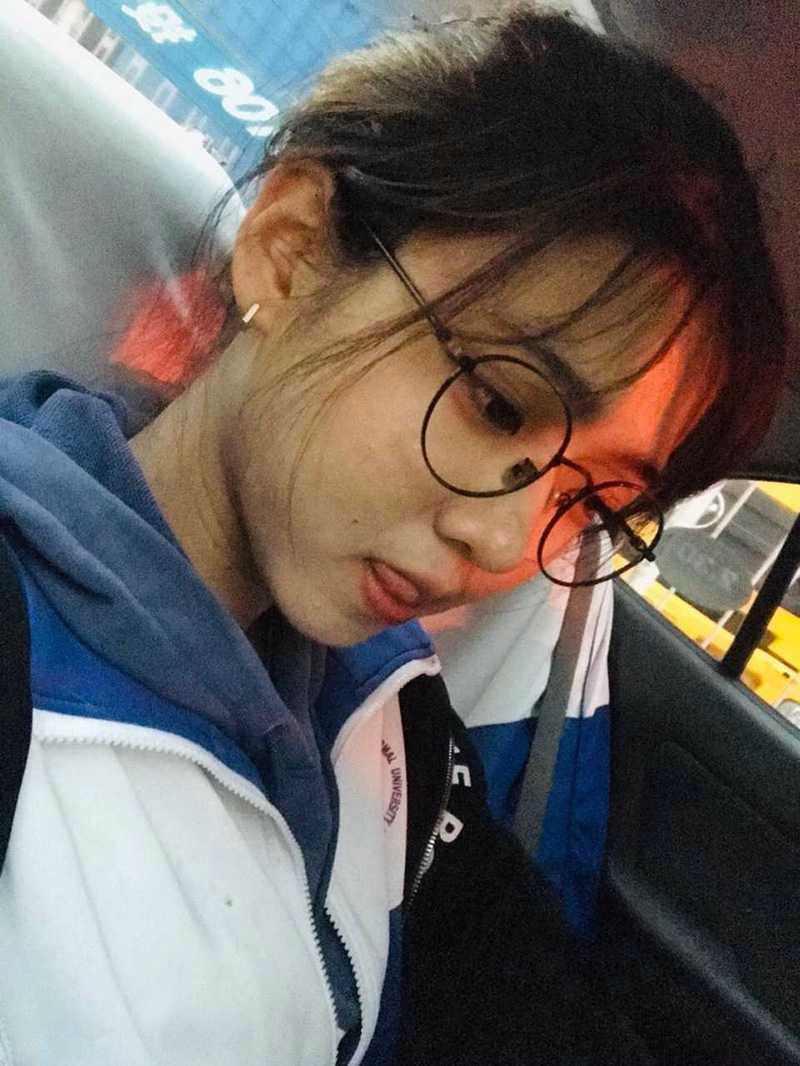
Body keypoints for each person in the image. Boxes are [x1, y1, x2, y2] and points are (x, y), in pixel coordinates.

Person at [0, 7, 786, 1065]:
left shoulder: (394, 716)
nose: (508, 544)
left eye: (592, 505)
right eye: (497, 405)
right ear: (288, 256)